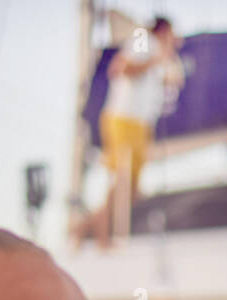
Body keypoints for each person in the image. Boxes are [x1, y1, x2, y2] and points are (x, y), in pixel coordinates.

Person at [76, 17, 183, 249]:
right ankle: (102, 238)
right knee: (121, 180)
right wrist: (156, 60)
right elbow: (121, 68)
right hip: (124, 117)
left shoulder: (160, 54)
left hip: (141, 123)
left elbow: (167, 81)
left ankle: (85, 226)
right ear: (163, 31)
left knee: (132, 188)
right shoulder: (144, 43)